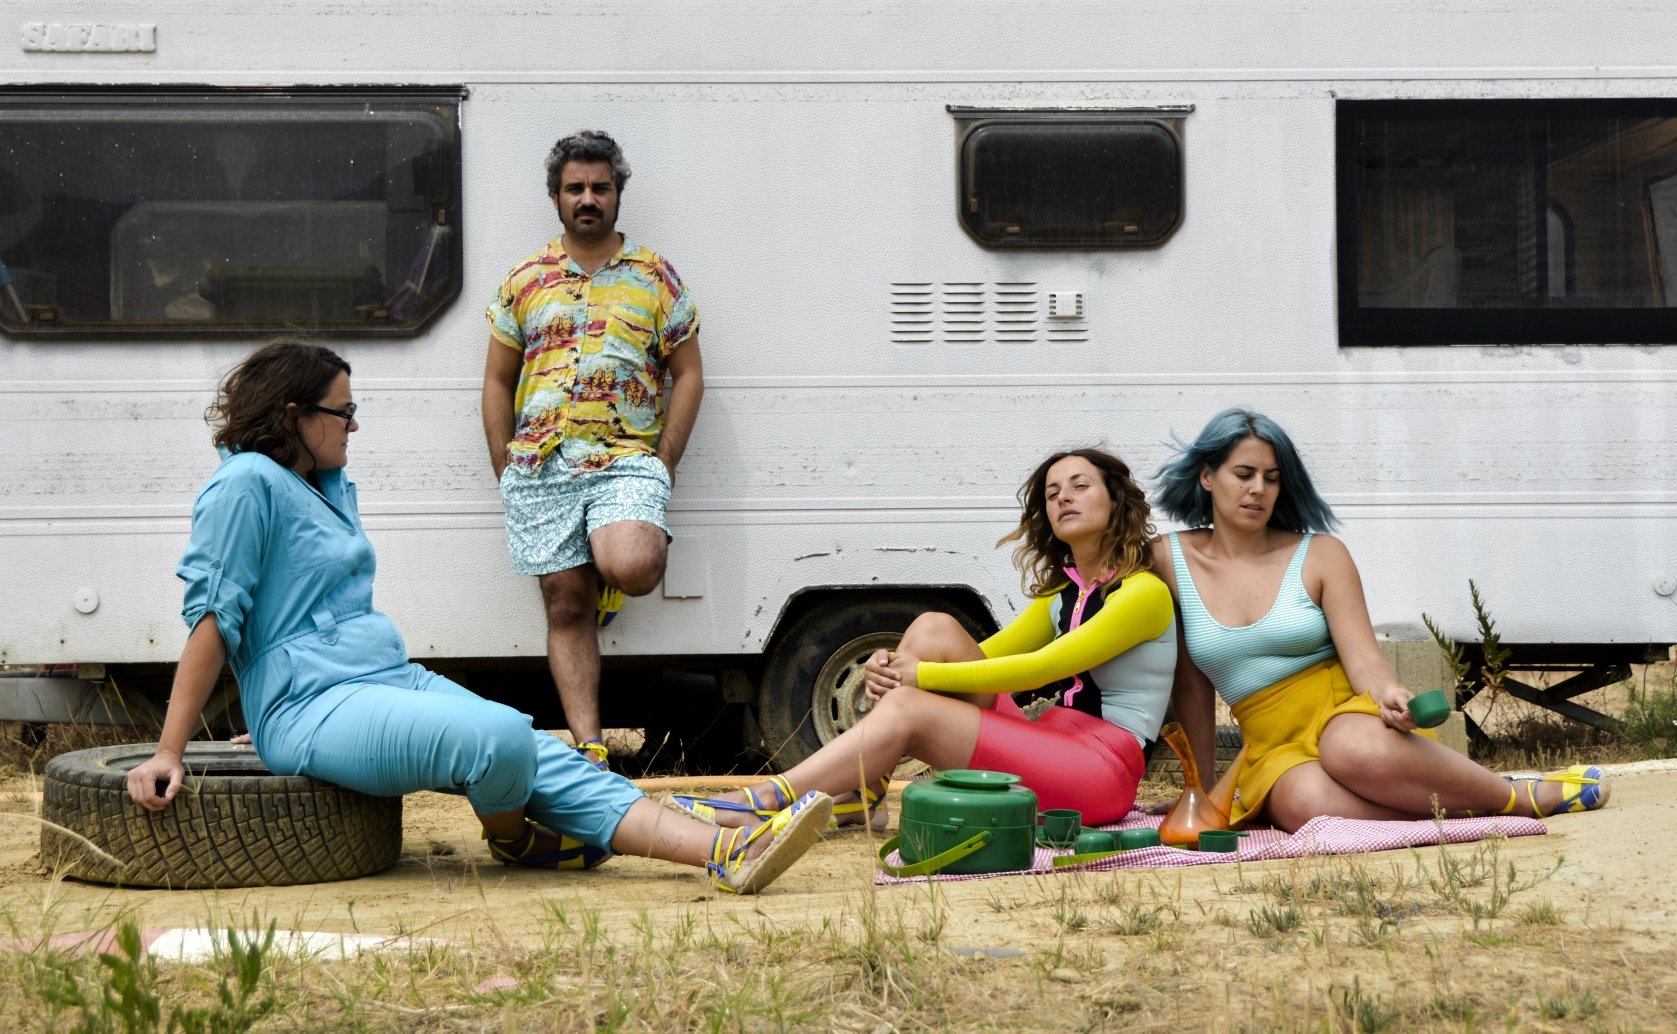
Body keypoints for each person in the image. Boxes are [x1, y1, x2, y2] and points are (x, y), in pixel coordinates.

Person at [125, 342, 826, 894]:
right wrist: (171, 751)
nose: (354, 424)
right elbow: (216, 619)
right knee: (497, 738)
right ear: (292, 415)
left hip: (380, 680)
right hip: (309, 706)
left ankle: (727, 851)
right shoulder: (244, 483)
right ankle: (516, 839)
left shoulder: (326, 485)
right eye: (342, 411)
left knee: (541, 750)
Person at [1150, 406, 1610, 832]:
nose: (1259, 490)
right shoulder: (1167, 561)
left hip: (1339, 714)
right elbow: (1190, 685)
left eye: (1272, 478)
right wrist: (1200, 789)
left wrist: (1390, 692)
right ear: (1207, 476)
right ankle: (1477, 804)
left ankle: (1519, 796)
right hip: (1268, 741)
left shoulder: (1321, 554)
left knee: (1352, 749)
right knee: (1303, 806)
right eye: (1244, 474)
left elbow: (1364, 659)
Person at [667, 449, 1177, 830]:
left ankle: (767, 798)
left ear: (1117, 499)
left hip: (1102, 770)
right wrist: (892, 667)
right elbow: (990, 657)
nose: (1062, 496)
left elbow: (1040, 669)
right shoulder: (1066, 594)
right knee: (934, 626)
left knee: (913, 705)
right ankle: (860, 795)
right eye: (1051, 492)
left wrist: (922, 679)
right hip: (1054, 742)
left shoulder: (1143, 594)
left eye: (1080, 485)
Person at [480, 130, 703, 771]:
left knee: (632, 565)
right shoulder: (524, 280)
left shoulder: (655, 276)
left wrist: (663, 462)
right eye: (575, 188)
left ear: (617, 194)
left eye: (600, 187)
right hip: (541, 467)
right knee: (565, 604)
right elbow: (496, 382)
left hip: (625, 461)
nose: (588, 199)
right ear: (555, 197)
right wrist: (506, 468)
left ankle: (616, 545)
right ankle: (590, 747)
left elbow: (689, 374)